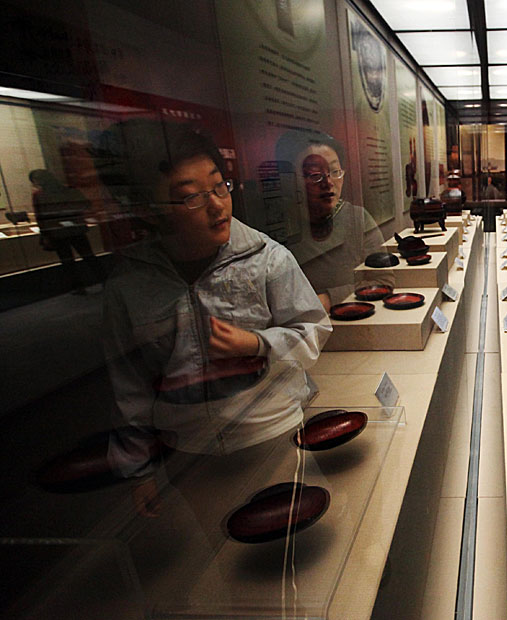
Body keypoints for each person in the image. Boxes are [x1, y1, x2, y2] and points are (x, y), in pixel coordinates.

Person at [96, 119, 331, 517]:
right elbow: (129, 384)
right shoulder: (130, 283)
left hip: (273, 428)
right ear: (151, 211)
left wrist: (257, 344)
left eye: (220, 186)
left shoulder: (267, 258)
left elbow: (313, 330)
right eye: (191, 197)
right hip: (187, 449)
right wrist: (140, 470)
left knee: (293, 532)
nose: (217, 205)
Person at [276, 130, 391, 311]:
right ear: (290, 180)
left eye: (335, 172)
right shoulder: (280, 224)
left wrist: (327, 299)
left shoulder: (356, 219)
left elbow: (383, 280)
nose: (328, 182)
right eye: (315, 175)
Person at [29, 169, 105, 293]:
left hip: (58, 231)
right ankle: (104, 280)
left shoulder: (39, 195)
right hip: (74, 228)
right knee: (88, 256)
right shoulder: (68, 189)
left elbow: (40, 216)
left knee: (68, 261)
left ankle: (79, 287)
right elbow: (85, 204)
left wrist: (46, 233)